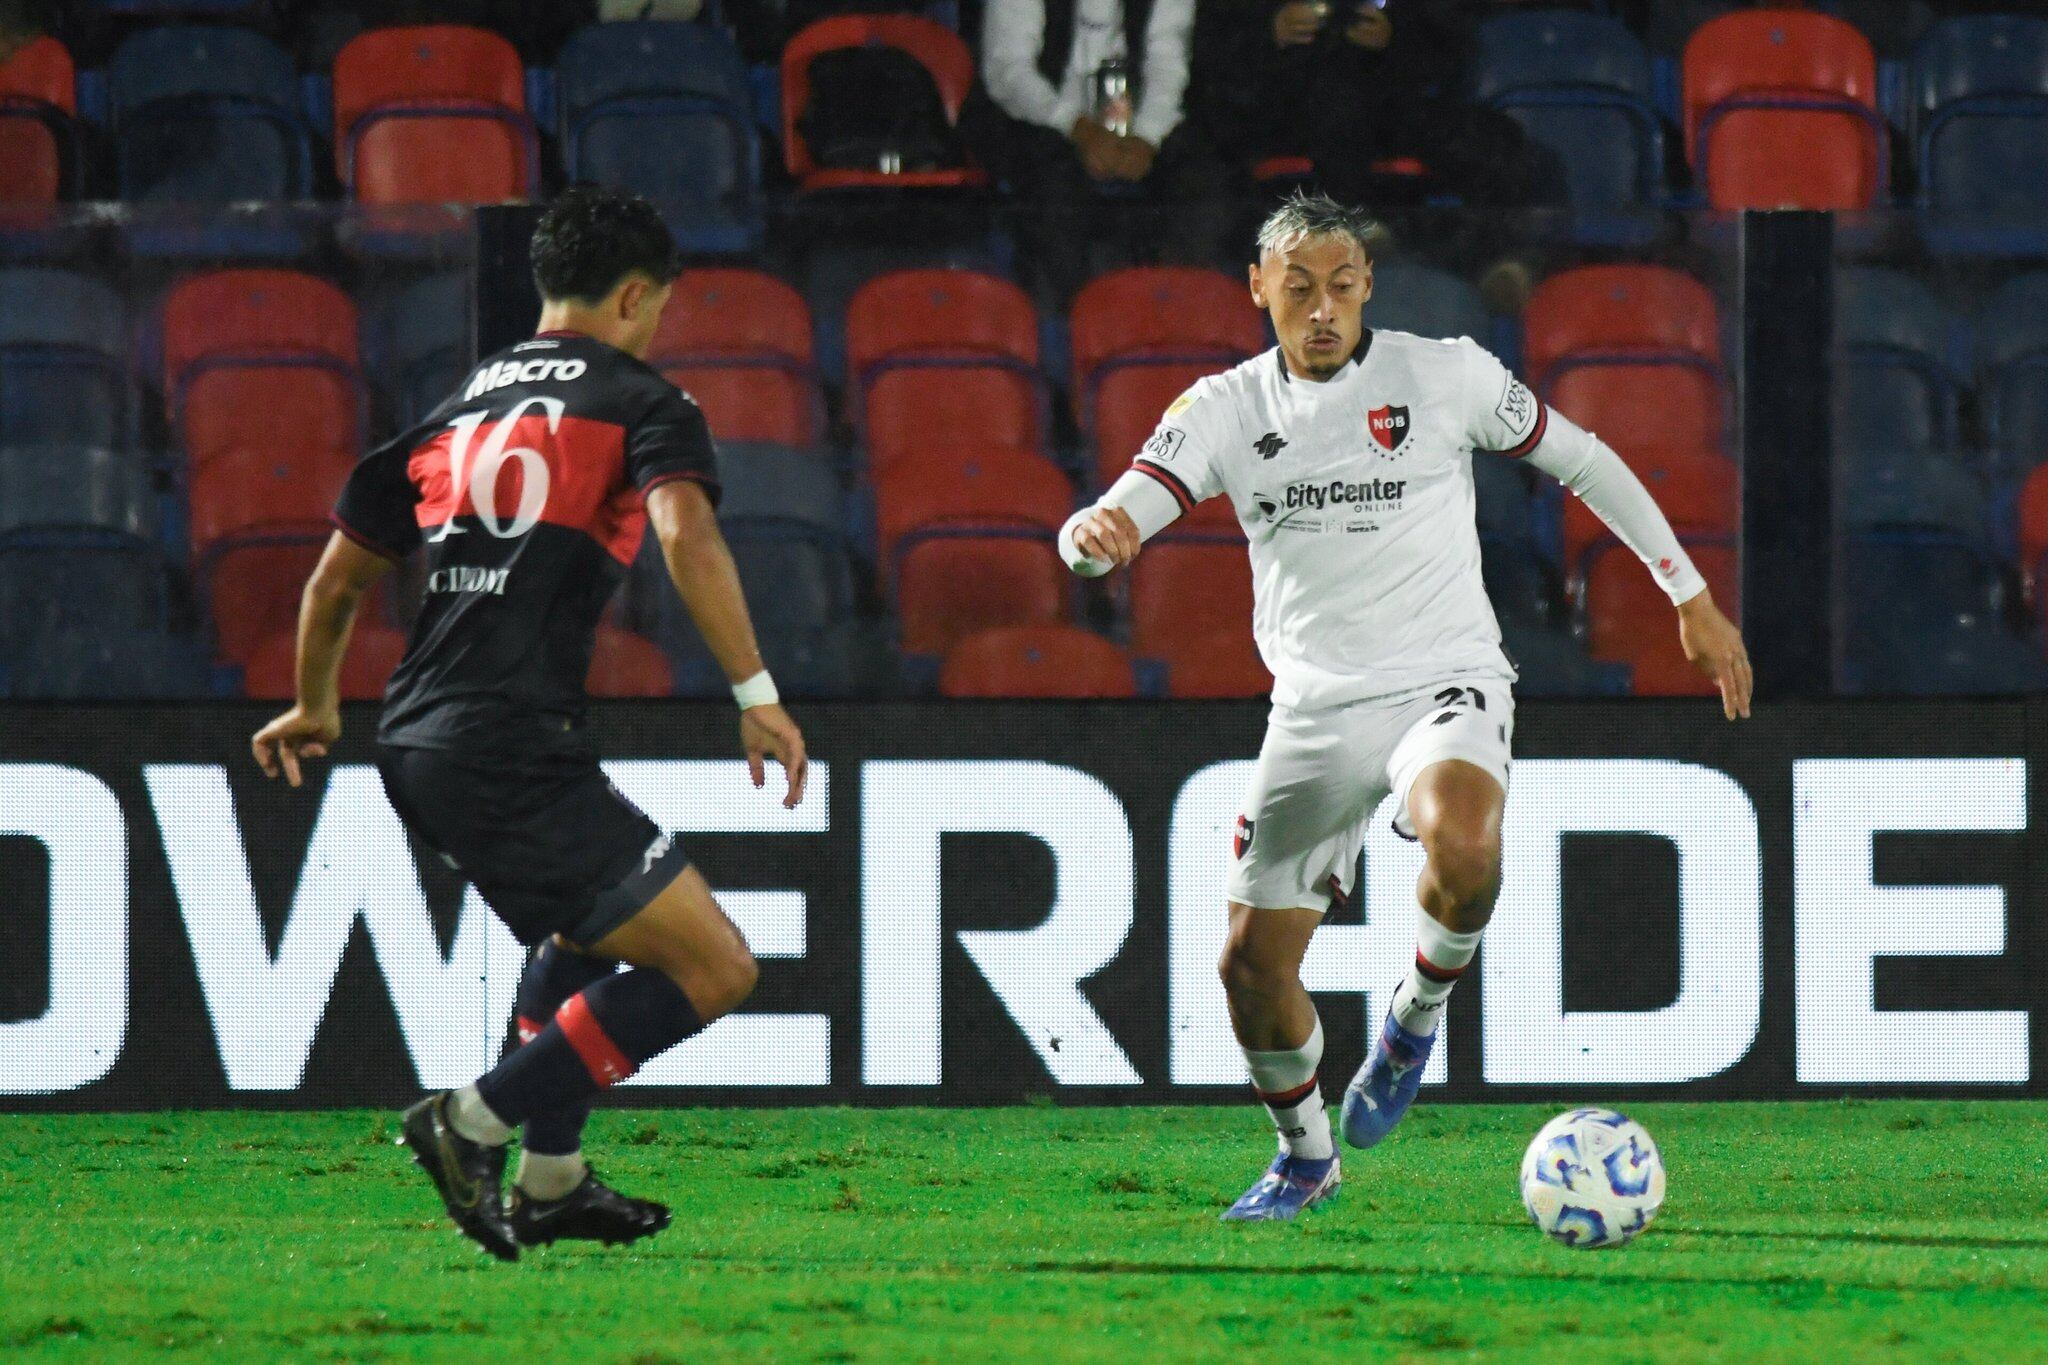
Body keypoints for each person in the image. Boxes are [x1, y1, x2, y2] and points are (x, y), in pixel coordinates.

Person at [1058, 192, 1749, 1221]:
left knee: (1463, 850)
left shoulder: (1444, 374)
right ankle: (1304, 1156)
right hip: (1313, 713)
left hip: (1444, 678)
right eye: (1298, 288)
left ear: (1367, 286)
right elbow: (1127, 504)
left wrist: (1688, 597)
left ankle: (1411, 1019)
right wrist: (1092, 534)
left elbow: (1585, 460)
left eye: (1340, 285)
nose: (1322, 308)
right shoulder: (1222, 409)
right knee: (1248, 967)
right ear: (1257, 290)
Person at [250, 187, 808, 1260]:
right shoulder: (643, 401)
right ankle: (470, 1123)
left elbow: (332, 584)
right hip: (506, 743)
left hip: (421, 736)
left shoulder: (456, 406)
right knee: (716, 970)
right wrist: (755, 694)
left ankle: (552, 1183)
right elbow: (686, 534)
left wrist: (317, 700)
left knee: (577, 938)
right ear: (636, 296)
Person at [1190, 0, 1560, 215]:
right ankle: (1350, 236)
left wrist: (1393, 38)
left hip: (1397, 109)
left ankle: (1506, 271)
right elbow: (1213, 51)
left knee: (1512, 150)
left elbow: (1452, 49)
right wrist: (1273, 30)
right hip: (1283, 114)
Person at [961, 0, 1224, 300]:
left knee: (1204, 180)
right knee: (1052, 187)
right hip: (1041, 118)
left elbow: (1167, 61)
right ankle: (1070, 322)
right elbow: (1010, 71)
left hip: (1142, 120)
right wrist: (1077, 128)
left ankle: (1184, 317)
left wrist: (1147, 137)